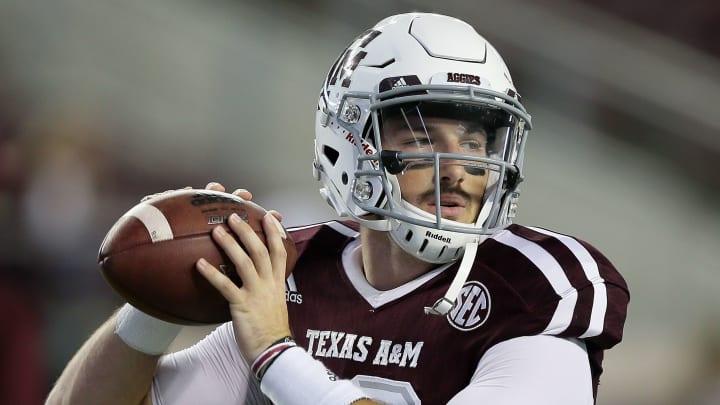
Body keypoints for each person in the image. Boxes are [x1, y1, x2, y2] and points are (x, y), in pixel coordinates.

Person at [46, 12, 629, 405]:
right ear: (349, 145)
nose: (457, 166)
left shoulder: (536, 285)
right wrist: (161, 301)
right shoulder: (298, 273)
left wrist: (277, 355)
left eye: (476, 141)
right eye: (425, 137)